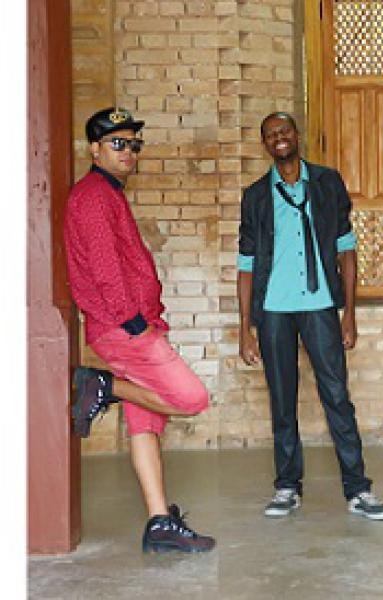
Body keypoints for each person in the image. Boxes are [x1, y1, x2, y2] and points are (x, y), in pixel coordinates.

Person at [64, 107, 215, 553]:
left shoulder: (108, 193)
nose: (128, 151)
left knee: (145, 424)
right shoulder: (94, 196)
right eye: (117, 143)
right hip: (123, 329)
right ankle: (102, 385)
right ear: (94, 149)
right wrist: (132, 323)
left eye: (133, 144)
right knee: (190, 399)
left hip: (131, 324)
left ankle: (159, 521)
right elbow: (105, 267)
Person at [237, 111, 383, 521]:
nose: (279, 138)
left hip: (320, 305)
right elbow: (246, 264)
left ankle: (358, 489)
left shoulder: (327, 183)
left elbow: (346, 249)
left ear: (297, 135)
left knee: (337, 396)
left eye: (285, 131)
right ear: (265, 144)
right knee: (282, 400)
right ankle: (287, 486)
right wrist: (245, 328)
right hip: (273, 310)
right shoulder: (256, 196)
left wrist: (349, 313)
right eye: (271, 134)